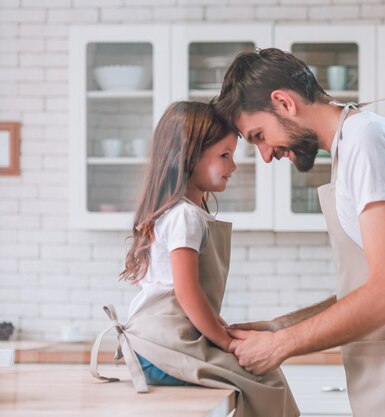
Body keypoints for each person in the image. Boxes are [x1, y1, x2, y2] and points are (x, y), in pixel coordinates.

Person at [215, 48, 385, 417]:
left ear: (283, 102)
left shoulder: (366, 142)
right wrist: (278, 327)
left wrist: (281, 346)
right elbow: (366, 289)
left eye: (259, 135)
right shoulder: (353, 144)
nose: (265, 154)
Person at [90, 100, 299, 417]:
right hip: (165, 348)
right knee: (265, 377)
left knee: (263, 373)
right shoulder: (185, 216)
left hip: (159, 345)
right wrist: (226, 343)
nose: (233, 166)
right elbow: (188, 293)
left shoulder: (182, 213)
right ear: (188, 158)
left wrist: (221, 330)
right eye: (224, 156)